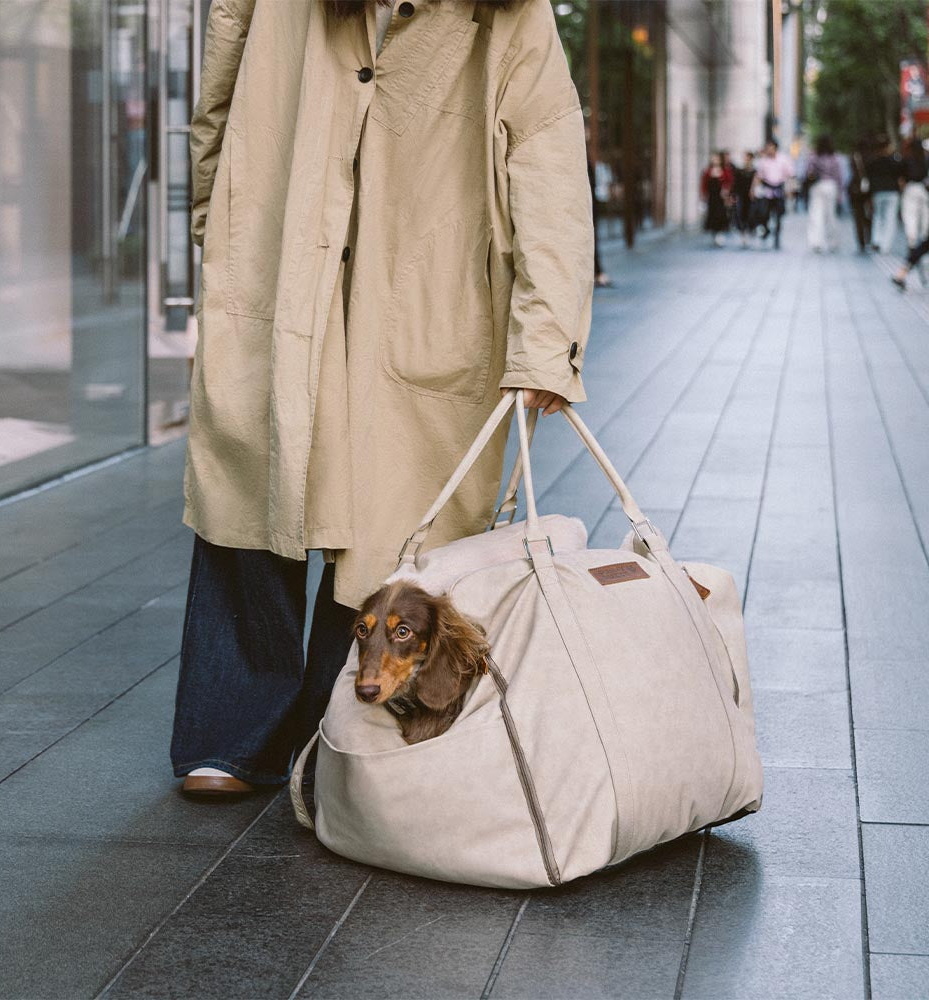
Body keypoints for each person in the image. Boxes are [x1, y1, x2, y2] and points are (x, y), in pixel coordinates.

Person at [171, 0, 594, 795]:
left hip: (429, 293)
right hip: (282, 261)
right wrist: (220, 229)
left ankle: (336, 736)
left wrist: (545, 339)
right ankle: (228, 736)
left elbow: (548, 158)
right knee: (250, 485)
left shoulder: (507, 16)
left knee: (398, 519)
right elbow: (219, 101)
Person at [891, 138, 929, 291]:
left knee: (925, 241)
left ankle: (903, 271)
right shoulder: (927, 163)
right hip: (926, 198)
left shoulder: (913, 161)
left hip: (919, 196)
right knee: (926, 241)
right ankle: (904, 272)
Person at [752, 140, 794, 250]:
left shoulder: (783, 159)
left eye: (770, 147)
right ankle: (766, 230)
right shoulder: (763, 161)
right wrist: (753, 189)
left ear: (775, 148)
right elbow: (758, 176)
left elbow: (790, 175)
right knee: (763, 213)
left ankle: (777, 236)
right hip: (767, 189)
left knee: (779, 215)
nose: (769, 150)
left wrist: (790, 190)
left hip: (779, 189)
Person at [805, 135, 842, 252]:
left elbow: (808, 172)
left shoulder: (814, 157)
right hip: (831, 186)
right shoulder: (834, 157)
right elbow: (839, 176)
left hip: (817, 186)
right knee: (831, 215)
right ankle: (833, 242)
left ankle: (816, 242)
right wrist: (840, 193)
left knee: (816, 215)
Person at [585, 126, 612, 287]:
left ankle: (597, 272)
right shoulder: (580, 157)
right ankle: (596, 272)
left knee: (592, 238)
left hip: (590, 205)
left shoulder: (584, 158)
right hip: (586, 206)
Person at [867, 139, 903, 253]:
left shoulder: (872, 162)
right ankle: (885, 245)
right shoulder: (894, 161)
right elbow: (900, 176)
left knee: (878, 216)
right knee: (890, 218)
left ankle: (876, 241)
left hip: (877, 192)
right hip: (892, 192)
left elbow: (869, 179)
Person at [701, 151, 733, 246]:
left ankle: (720, 233)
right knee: (712, 215)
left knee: (721, 214)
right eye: (713, 158)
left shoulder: (725, 171)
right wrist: (703, 195)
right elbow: (704, 184)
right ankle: (714, 233)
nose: (714, 160)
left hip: (721, 197)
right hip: (712, 197)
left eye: (716, 158)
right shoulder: (708, 171)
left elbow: (730, 182)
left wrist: (727, 192)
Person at [848, 137, 872, 252]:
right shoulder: (871, 157)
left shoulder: (854, 156)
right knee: (870, 214)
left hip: (855, 189)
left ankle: (861, 240)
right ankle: (870, 238)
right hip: (869, 189)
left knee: (858, 215)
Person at [732, 151, 756, 246]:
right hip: (741, 196)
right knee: (740, 215)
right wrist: (734, 196)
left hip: (751, 197)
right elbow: (735, 185)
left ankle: (749, 232)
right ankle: (743, 235)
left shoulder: (754, 172)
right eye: (745, 158)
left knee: (750, 215)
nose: (746, 160)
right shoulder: (739, 171)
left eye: (748, 158)